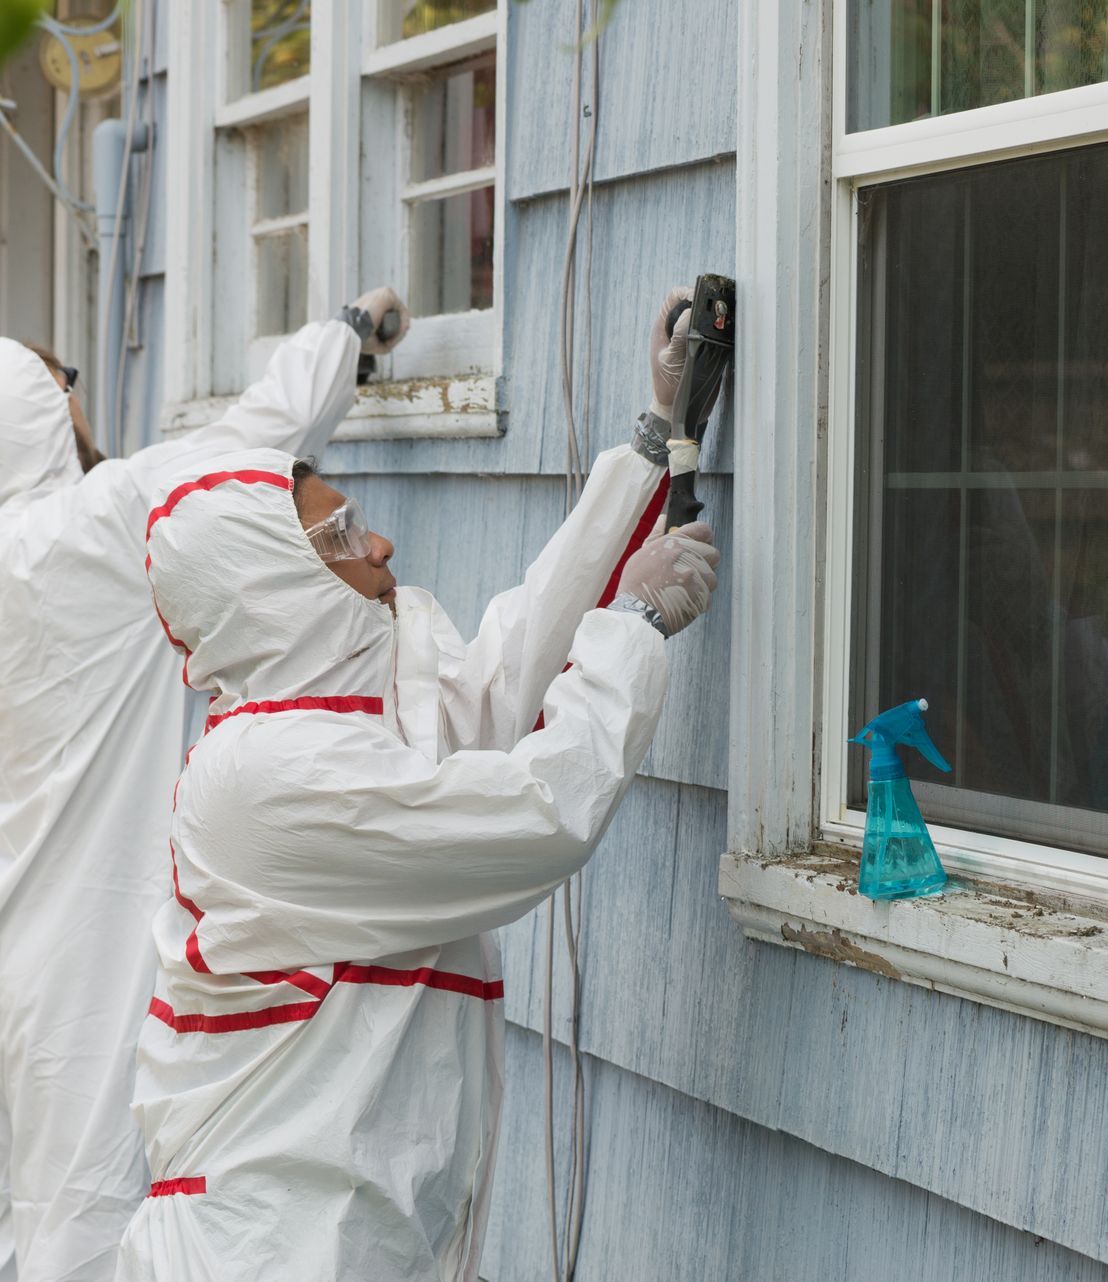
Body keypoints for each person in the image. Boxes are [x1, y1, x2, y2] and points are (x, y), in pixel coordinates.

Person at [116, 289, 722, 1281]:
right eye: (343, 534)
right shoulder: (265, 783)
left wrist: (649, 447)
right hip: (265, 1250)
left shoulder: (330, 727)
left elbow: (497, 684)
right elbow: (530, 816)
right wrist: (631, 629)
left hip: (340, 1236)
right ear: (277, 586)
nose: (381, 543)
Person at [0, 287, 410, 1282]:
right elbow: (254, 430)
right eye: (66, 387)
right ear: (48, 416)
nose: (82, 400)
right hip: (82, 954)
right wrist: (348, 335)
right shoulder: (104, 521)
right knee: (80, 1219)